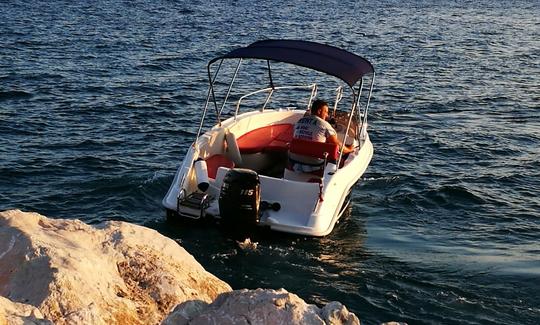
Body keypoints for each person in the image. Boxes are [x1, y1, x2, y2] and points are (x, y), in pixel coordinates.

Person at [289, 99, 353, 173]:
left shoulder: (299, 122)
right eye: (326, 112)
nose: (327, 115)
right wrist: (349, 149)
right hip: (314, 163)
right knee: (340, 156)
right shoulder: (324, 125)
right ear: (319, 111)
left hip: (294, 159)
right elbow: (337, 145)